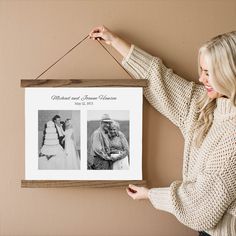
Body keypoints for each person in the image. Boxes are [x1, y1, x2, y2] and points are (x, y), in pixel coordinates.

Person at [89, 26, 236, 236]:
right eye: (201, 70)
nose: (201, 78)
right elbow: (161, 81)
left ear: (229, 72)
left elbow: (202, 206)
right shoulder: (205, 104)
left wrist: (151, 195)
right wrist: (115, 41)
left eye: (208, 73)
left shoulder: (232, 138)